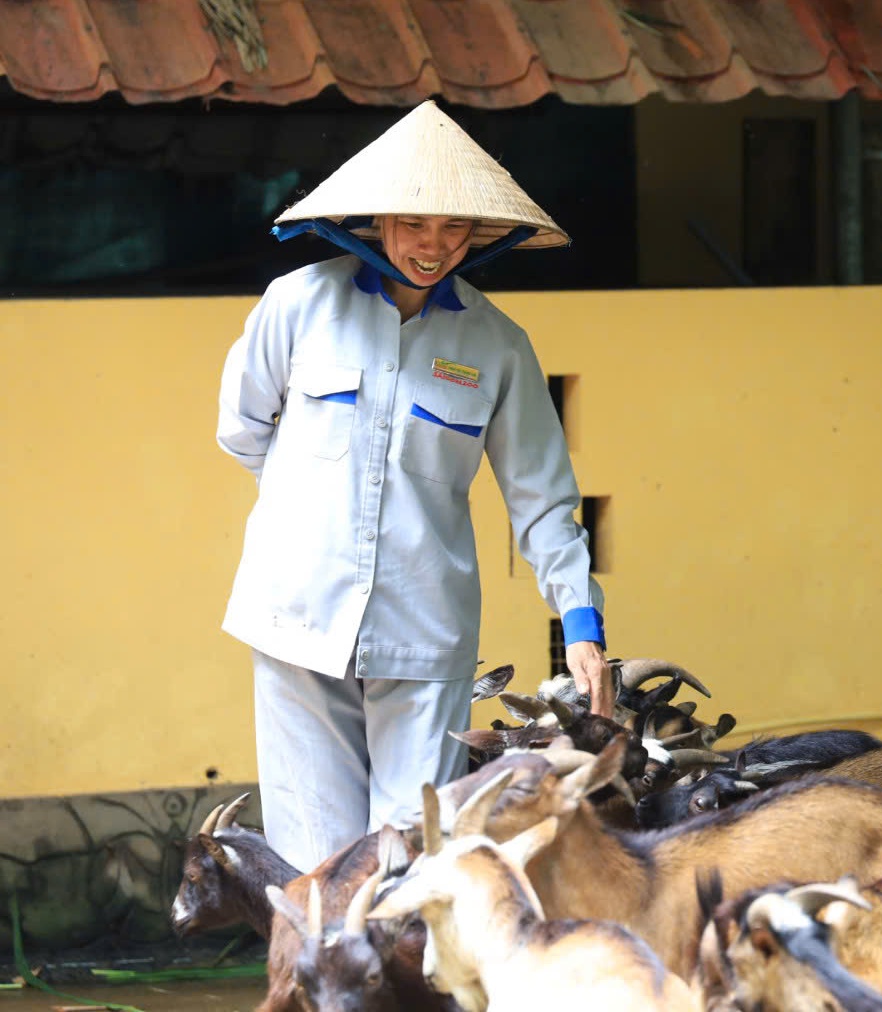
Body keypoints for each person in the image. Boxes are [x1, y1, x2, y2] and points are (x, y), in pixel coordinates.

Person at [216, 100, 610, 872]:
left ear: (479, 234)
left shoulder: (498, 347)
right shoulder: (297, 306)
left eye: (454, 230)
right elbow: (242, 427)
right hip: (297, 620)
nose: (433, 248)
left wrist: (583, 623)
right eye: (414, 225)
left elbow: (543, 501)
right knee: (317, 867)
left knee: (411, 865)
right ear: (377, 219)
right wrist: (308, 515)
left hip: (424, 638)